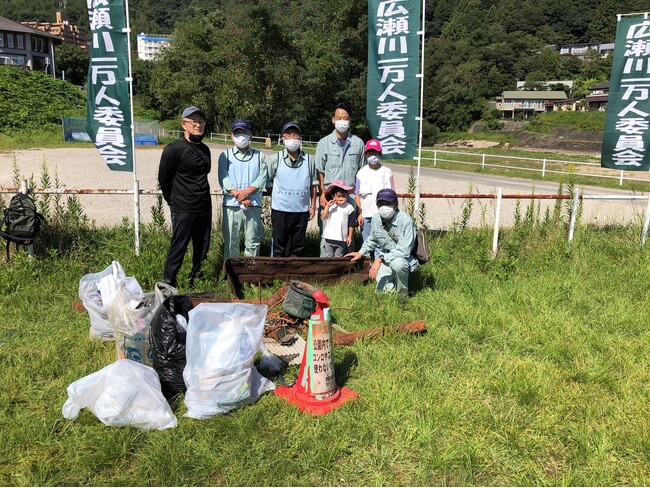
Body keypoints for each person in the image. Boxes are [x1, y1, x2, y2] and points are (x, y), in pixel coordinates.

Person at [158, 106, 212, 287]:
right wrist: (172, 201)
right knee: (179, 246)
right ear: (184, 125)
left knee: (202, 246)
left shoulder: (205, 150)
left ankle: (197, 279)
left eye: (201, 121)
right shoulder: (174, 149)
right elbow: (164, 179)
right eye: (194, 121)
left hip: (204, 206)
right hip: (183, 207)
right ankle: (169, 281)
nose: (198, 125)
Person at [345, 189, 418, 295]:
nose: (384, 207)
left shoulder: (406, 221)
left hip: (403, 258)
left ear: (396, 204)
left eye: (388, 203)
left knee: (398, 265)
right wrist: (360, 253)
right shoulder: (376, 218)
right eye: (381, 203)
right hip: (385, 258)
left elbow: (404, 251)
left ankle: (403, 294)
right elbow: (373, 239)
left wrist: (379, 259)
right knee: (382, 293)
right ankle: (393, 286)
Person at [315, 102, 365, 255]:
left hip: (349, 197)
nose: (342, 121)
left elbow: (362, 174)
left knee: (348, 234)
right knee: (327, 234)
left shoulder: (358, 143)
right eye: (339, 118)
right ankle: (325, 270)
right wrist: (322, 194)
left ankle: (346, 272)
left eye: (345, 118)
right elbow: (320, 171)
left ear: (350, 121)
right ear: (333, 120)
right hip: (330, 196)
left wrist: (359, 202)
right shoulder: (324, 143)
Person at [217, 118, 267, 260]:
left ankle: (250, 274)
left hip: (253, 204)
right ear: (232, 136)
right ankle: (231, 275)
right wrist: (239, 195)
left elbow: (262, 178)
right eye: (237, 133)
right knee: (231, 242)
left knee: (253, 242)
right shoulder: (225, 156)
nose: (241, 136)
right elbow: (224, 179)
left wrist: (247, 192)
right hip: (231, 205)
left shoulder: (259, 156)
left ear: (250, 135)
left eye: (244, 133)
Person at [266, 122, 318, 257]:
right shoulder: (275, 158)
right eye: (288, 135)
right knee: (279, 246)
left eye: (295, 135)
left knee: (298, 247)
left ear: (300, 138)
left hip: (301, 211)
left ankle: (294, 274)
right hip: (280, 210)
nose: (292, 139)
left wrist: (313, 206)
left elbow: (313, 183)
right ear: (282, 138)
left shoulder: (309, 159)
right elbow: (268, 180)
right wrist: (276, 196)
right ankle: (278, 275)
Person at [355, 139, 395, 245]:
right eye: (369, 152)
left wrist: (392, 212)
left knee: (381, 241)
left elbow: (393, 194)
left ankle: (379, 260)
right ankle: (366, 261)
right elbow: (357, 195)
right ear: (365, 154)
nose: (372, 155)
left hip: (383, 214)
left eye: (375, 152)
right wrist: (360, 214)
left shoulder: (387, 172)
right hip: (366, 214)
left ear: (380, 154)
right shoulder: (361, 173)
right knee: (366, 241)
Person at [321, 180, 356, 257]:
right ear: (333, 196)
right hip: (329, 237)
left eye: (344, 196)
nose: (341, 198)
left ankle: (337, 269)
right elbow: (323, 217)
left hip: (341, 238)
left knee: (339, 256)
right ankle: (329, 269)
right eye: (339, 196)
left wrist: (349, 236)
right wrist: (327, 206)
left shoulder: (349, 207)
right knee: (329, 256)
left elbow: (351, 224)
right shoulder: (331, 206)